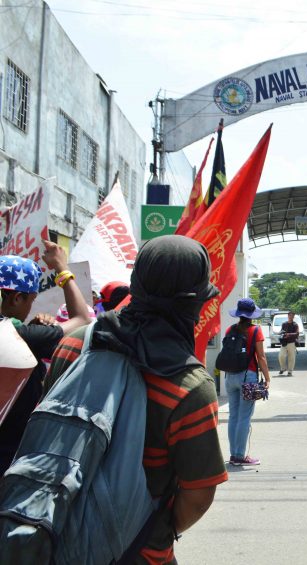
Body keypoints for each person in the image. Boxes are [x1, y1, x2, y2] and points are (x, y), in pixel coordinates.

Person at [43, 235, 227, 564]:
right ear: (192, 304)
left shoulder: (74, 346)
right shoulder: (189, 386)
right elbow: (198, 494)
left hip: (51, 531)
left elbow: (47, 429)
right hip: (139, 552)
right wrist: (153, 532)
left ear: (136, 285)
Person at [0, 242, 90, 473]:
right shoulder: (20, 334)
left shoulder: (22, 332)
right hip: (10, 455)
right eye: (31, 299)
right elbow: (82, 318)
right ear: (16, 299)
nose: (32, 306)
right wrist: (62, 269)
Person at [224, 297, 271, 466]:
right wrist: (267, 378)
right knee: (244, 417)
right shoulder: (255, 330)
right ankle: (240, 456)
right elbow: (261, 357)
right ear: (251, 315)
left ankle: (233, 455)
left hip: (230, 377)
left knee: (233, 416)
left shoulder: (230, 330)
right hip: (248, 378)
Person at [277, 311, 299, 376]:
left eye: (292, 316)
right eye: (290, 315)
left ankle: (290, 371)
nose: (291, 317)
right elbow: (281, 330)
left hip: (292, 343)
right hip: (284, 342)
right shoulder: (284, 324)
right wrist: (281, 333)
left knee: (291, 357)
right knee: (281, 356)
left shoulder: (295, 325)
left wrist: (288, 334)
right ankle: (283, 368)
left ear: (293, 317)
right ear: (288, 316)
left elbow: (297, 333)